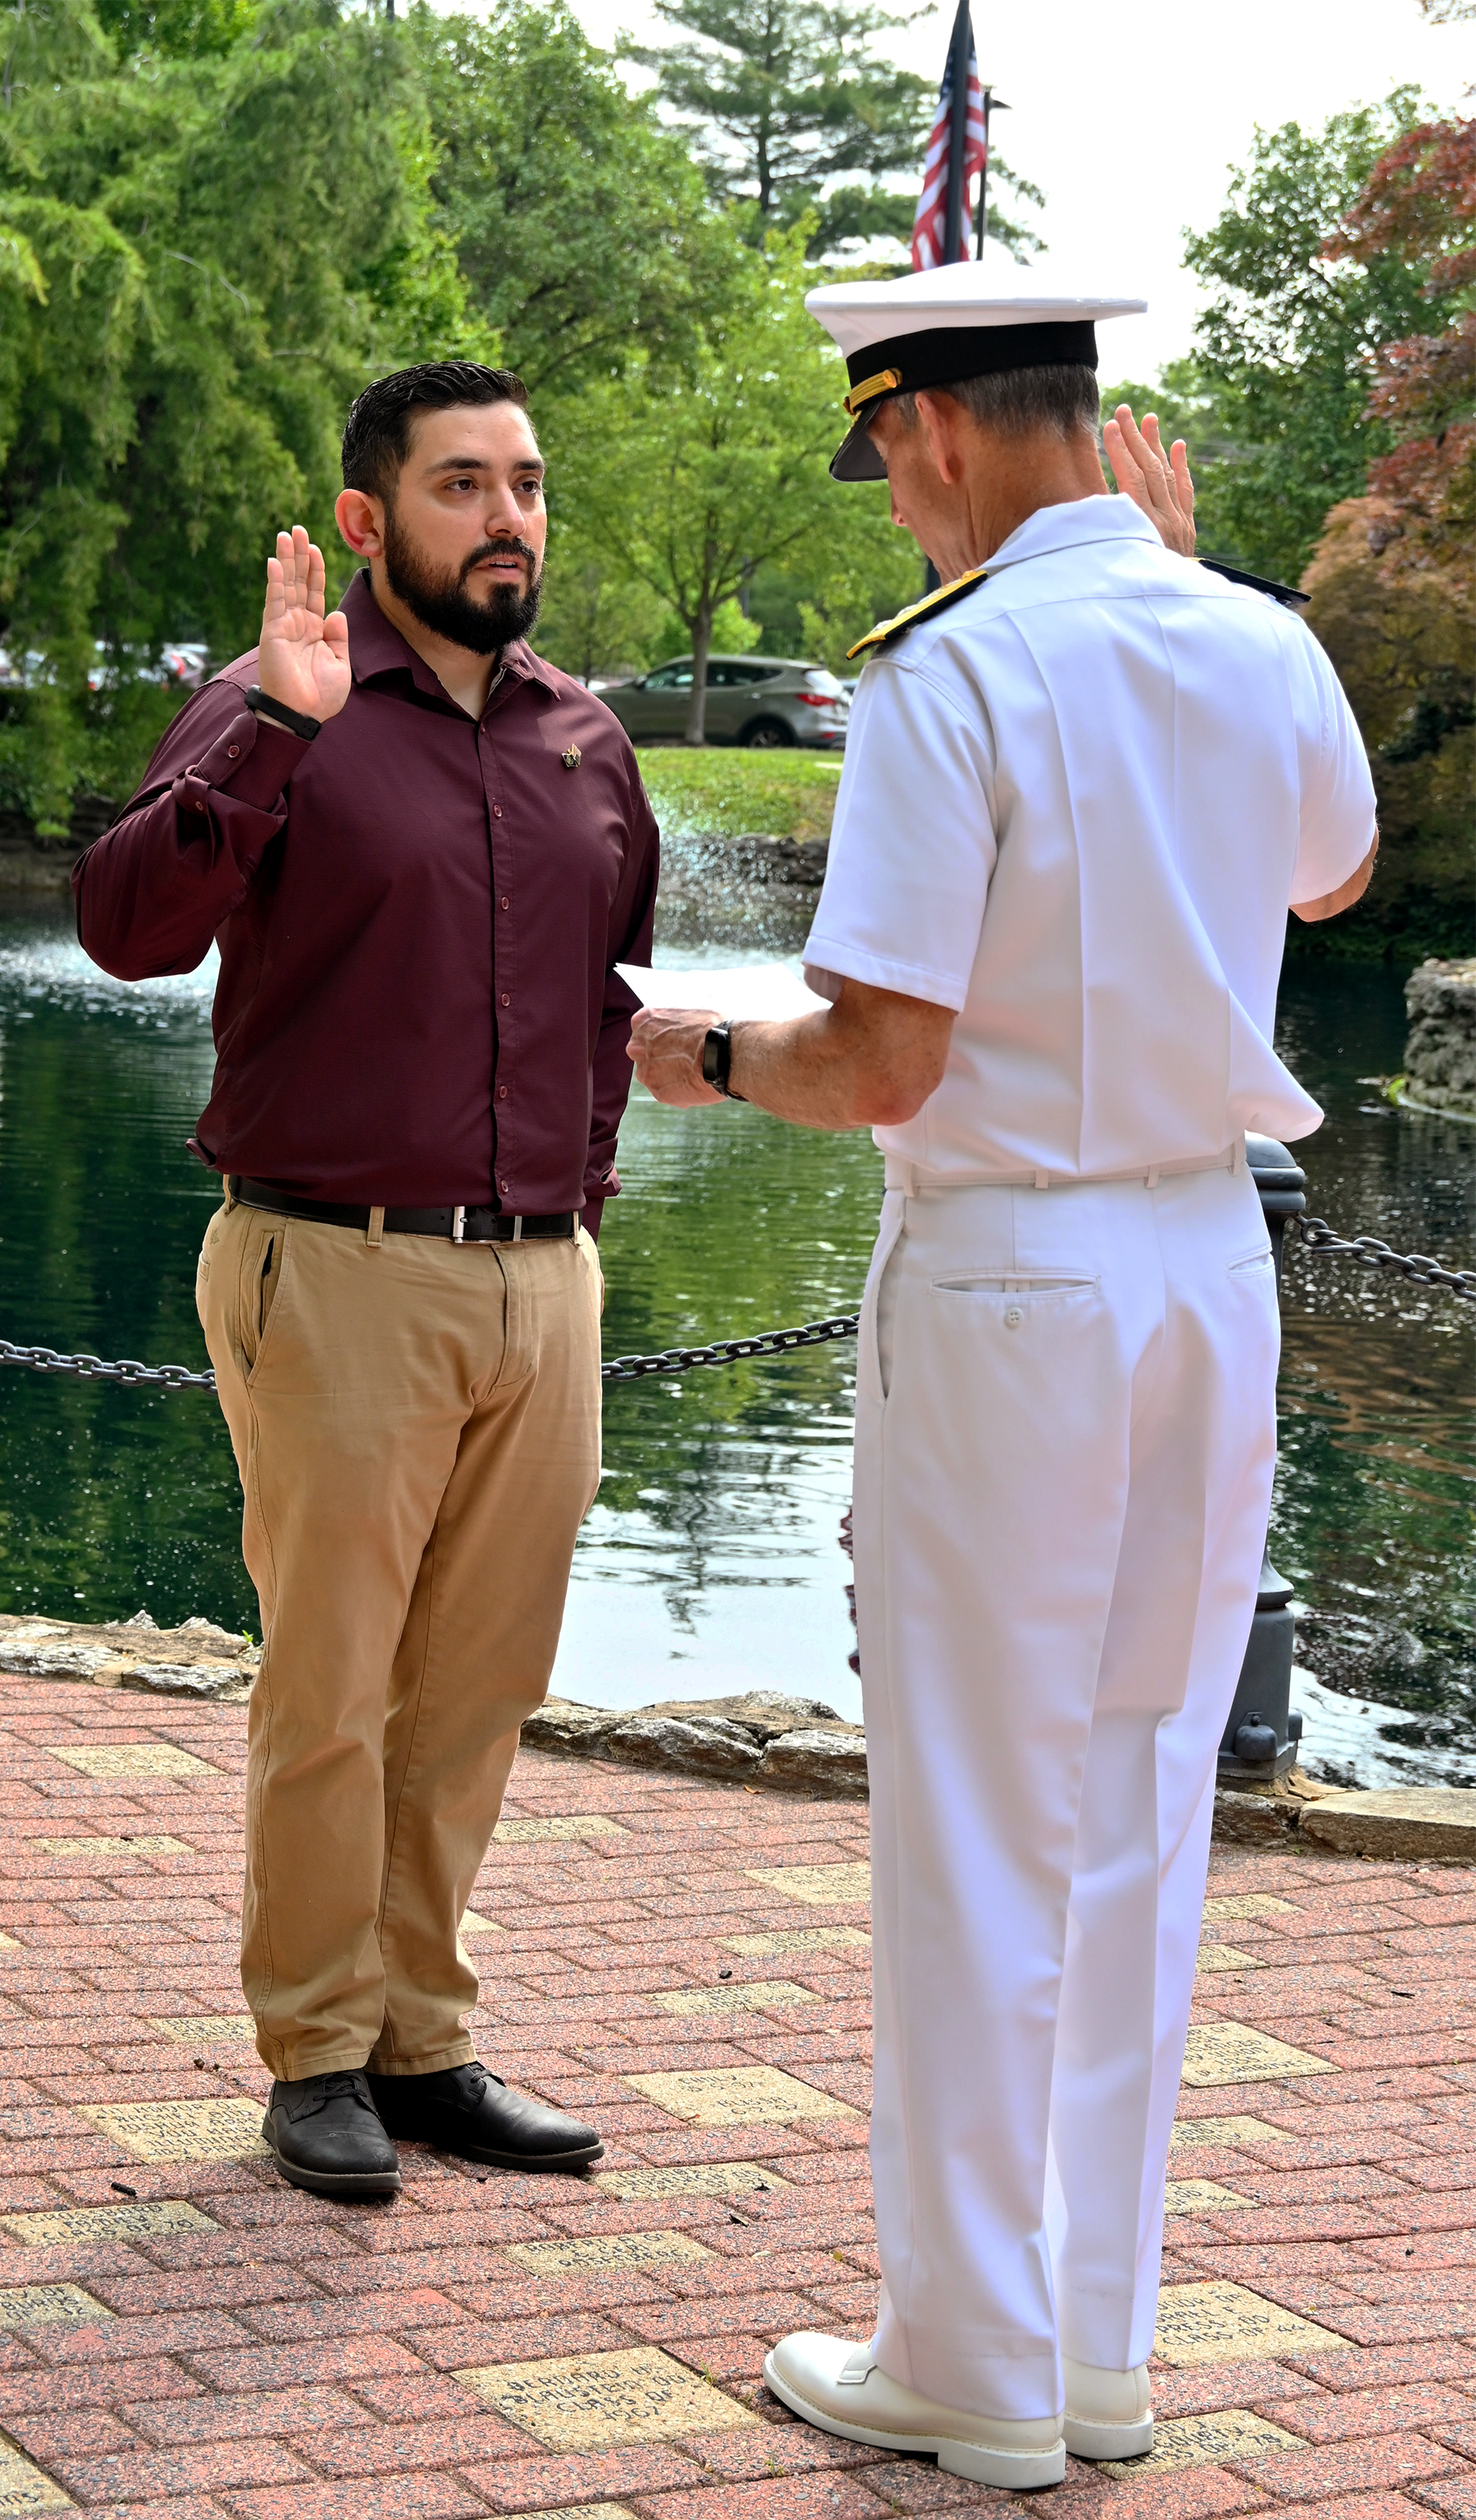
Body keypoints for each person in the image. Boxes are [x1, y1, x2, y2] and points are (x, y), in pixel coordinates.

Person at [630, 265, 1377, 2489]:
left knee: (975, 1820)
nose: (894, 511)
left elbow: (881, 1055)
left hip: (1021, 1272)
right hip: (1204, 1260)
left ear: (933, 432)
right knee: (1143, 1806)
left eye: (885, 466)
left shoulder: (959, 676)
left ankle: (969, 2351)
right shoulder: (1259, 635)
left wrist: (703, 1045)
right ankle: (1099, 2348)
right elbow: (1325, 875)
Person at [73, 360, 658, 2200]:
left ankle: (423, 2041)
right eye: (463, 484)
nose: (506, 518)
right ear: (366, 518)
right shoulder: (279, 705)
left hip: (541, 1284)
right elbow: (125, 931)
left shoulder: (585, 740)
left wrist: (579, 1214)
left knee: (476, 1691)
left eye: (528, 483)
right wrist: (273, 738)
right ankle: (314, 2049)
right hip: (332, 1268)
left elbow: (606, 1004)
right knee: (327, 1690)